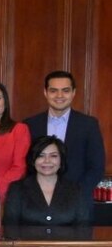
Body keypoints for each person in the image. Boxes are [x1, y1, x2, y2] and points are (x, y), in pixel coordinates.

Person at [24, 71, 105, 204]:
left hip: (78, 202)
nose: (59, 95)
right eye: (53, 91)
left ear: (73, 93)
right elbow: (26, 165)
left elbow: (96, 167)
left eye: (65, 90)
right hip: (36, 203)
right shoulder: (30, 124)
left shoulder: (89, 125)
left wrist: (75, 194)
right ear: (45, 92)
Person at [4, 136, 90, 226]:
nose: (47, 161)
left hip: (66, 240)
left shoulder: (75, 190)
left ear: (61, 161)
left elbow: (83, 228)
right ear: (33, 160)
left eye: (53, 156)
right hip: (28, 240)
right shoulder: (17, 189)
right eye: (41, 156)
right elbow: (11, 228)